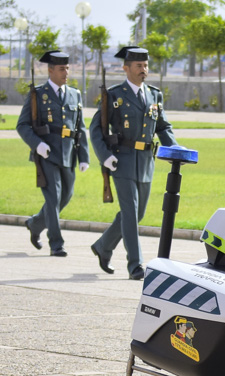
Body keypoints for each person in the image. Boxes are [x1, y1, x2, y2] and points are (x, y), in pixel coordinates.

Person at [89, 46, 176, 280]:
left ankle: (103, 246)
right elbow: (96, 128)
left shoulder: (154, 95)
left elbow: (163, 127)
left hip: (146, 161)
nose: (143, 70)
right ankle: (135, 265)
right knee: (129, 213)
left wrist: (175, 147)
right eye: (138, 66)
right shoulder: (114, 95)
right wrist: (105, 157)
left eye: (146, 65)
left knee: (138, 214)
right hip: (122, 160)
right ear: (125, 68)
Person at [15, 51, 89, 257]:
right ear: (50, 71)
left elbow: (80, 128)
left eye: (67, 68)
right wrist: (37, 144)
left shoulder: (75, 94)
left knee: (66, 196)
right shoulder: (38, 94)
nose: (66, 73)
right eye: (61, 69)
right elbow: (22, 125)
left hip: (68, 153)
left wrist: (84, 156)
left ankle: (35, 223)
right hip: (46, 153)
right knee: (53, 197)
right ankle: (56, 244)